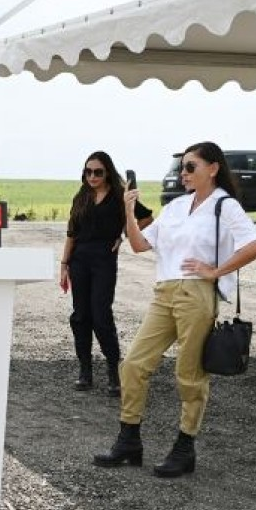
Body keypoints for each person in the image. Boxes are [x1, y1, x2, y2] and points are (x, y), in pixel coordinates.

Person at [93, 141, 256, 477]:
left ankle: (185, 447)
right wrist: (129, 212)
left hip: (197, 294)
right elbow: (141, 244)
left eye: (191, 167)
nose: (183, 173)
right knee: (133, 364)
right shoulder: (175, 207)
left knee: (189, 374)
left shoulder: (224, 206)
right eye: (182, 167)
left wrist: (215, 271)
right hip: (165, 291)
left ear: (213, 168)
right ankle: (129, 440)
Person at [59, 151, 152, 396]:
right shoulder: (81, 197)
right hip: (79, 260)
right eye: (88, 171)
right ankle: (85, 371)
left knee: (101, 315)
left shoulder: (120, 195)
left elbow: (147, 218)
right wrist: (64, 264)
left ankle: (114, 370)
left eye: (98, 172)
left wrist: (123, 236)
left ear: (107, 171)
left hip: (103, 261)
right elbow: (71, 233)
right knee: (81, 316)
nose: (92, 176)